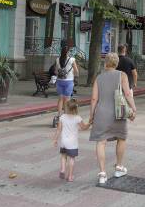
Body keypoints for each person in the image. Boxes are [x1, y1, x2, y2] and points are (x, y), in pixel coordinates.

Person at [89, 52, 137, 185]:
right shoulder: (122, 75)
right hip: (118, 114)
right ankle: (119, 167)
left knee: (101, 142)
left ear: (105, 63)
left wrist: (91, 115)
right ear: (116, 63)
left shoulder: (99, 78)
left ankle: (102, 174)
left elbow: (94, 99)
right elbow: (127, 94)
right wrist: (134, 108)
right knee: (121, 139)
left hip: (101, 114)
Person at [53, 99, 90, 182]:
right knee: (72, 159)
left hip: (63, 141)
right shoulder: (78, 118)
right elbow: (84, 128)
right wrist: (89, 124)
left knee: (63, 156)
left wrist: (55, 139)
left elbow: (58, 130)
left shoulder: (62, 117)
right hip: (72, 143)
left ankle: (62, 169)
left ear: (66, 108)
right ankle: (70, 176)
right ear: (76, 108)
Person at [53, 46, 79, 128]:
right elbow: (76, 71)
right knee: (67, 100)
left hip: (59, 81)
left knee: (60, 99)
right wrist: (75, 76)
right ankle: (66, 117)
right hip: (69, 82)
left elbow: (56, 71)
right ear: (67, 52)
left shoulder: (57, 59)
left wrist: (61, 73)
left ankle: (59, 115)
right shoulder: (72, 59)